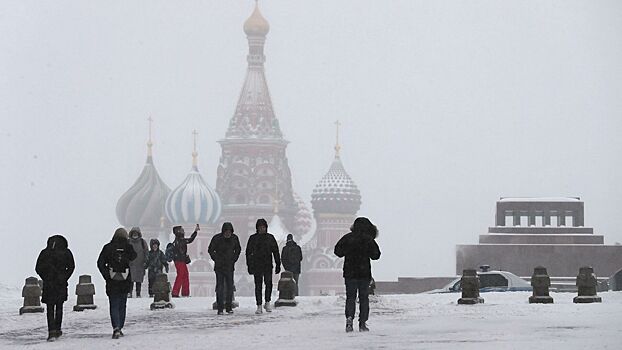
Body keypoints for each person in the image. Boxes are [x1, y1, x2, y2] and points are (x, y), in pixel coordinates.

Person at [334, 217, 381, 333]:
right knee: (364, 298)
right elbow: (376, 255)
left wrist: (349, 251)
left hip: (350, 273)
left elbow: (338, 252)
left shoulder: (347, 238)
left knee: (351, 297)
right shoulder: (368, 239)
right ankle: (362, 323)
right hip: (364, 273)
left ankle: (349, 319)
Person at [97, 228, 137, 339]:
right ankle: (120, 326)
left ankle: (116, 327)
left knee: (114, 304)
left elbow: (100, 263)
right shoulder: (128, 247)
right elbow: (134, 256)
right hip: (125, 280)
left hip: (112, 281)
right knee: (122, 305)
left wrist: (107, 275)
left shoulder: (108, 247)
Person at [35, 235, 75, 341]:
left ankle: (51, 331)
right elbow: (71, 267)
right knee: (59, 307)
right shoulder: (66, 252)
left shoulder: (45, 253)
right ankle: (57, 329)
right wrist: (64, 276)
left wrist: (46, 277)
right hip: (61, 284)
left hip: (49, 284)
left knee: (50, 308)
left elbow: (38, 268)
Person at [246, 218, 281, 314]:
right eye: (260, 227)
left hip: (267, 265)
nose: (262, 229)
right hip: (257, 265)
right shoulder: (253, 239)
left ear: (266, 227)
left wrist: (278, 264)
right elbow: (248, 253)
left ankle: (267, 302)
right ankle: (259, 305)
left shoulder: (270, 238)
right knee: (258, 286)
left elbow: (275, 251)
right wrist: (249, 265)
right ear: (257, 228)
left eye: (263, 227)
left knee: (268, 284)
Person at [208, 222, 241, 315]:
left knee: (230, 287)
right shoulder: (217, 238)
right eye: (226, 231)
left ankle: (229, 307)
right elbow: (210, 250)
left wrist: (234, 259)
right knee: (220, 287)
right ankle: (220, 308)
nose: (228, 233)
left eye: (229, 231)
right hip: (219, 266)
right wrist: (216, 258)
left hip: (229, 266)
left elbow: (238, 249)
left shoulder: (234, 238)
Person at [169, 224, 198, 297]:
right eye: (182, 230)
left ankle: (184, 292)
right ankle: (176, 292)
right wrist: (195, 232)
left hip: (180, 261)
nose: (183, 231)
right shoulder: (180, 240)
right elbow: (190, 240)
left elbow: (189, 240)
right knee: (181, 275)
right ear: (178, 232)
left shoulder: (177, 241)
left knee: (184, 275)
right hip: (179, 261)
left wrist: (195, 232)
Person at [128, 227, 148, 298]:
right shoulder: (128, 242)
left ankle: (138, 293)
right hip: (131, 264)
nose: (135, 235)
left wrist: (146, 261)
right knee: (130, 280)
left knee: (138, 280)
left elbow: (146, 252)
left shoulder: (142, 242)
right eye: (134, 233)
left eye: (136, 233)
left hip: (140, 264)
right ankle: (129, 292)